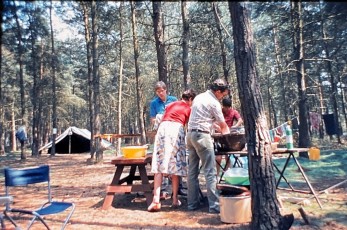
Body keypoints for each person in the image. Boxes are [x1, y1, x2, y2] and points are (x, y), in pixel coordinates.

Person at [148, 89, 196, 212]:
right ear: (190, 99)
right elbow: (190, 126)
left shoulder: (171, 104)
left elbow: (162, 117)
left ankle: (156, 200)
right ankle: (174, 199)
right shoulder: (188, 109)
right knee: (176, 165)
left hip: (163, 129)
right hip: (175, 129)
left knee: (159, 163)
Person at [186, 78, 230, 214]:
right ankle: (215, 206)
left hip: (190, 135)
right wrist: (229, 135)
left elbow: (202, 118)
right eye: (222, 95)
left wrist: (213, 125)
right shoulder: (214, 102)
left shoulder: (199, 97)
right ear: (217, 91)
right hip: (202, 137)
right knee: (210, 172)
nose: (222, 97)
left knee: (192, 172)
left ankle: (192, 204)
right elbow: (224, 127)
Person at [149, 81, 187, 197]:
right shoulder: (154, 103)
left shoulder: (173, 99)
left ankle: (178, 188)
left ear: (166, 90)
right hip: (162, 131)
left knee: (175, 159)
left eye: (162, 91)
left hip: (174, 132)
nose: (160, 93)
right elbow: (152, 119)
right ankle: (163, 190)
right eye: (158, 91)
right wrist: (160, 118)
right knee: (162, 160)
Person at [215, 97, 243, 176]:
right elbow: (214, 121)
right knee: (218, 157)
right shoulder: (218, 111)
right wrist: (218, 127)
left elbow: (240, 120)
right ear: (222, 105)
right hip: (219, 136)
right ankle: (216, 175)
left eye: (228, 107)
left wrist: (235, 126)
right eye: (225, 107)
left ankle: (226, 174)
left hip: (228, 136)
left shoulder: (233, 112)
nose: (227, 109)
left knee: (228, 155)